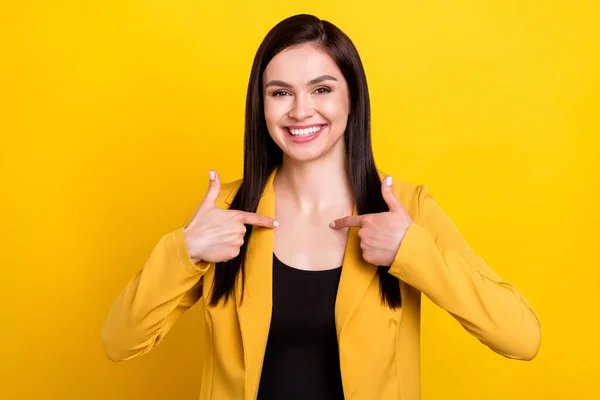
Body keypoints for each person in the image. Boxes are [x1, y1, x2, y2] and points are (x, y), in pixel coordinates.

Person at [101, 13, 542, 400]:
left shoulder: (406, 210)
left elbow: (521, 338)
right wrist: (187, 250)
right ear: (262, 105)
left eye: (321, 88)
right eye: (280, 93)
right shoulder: (224, 213)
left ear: (352, 97)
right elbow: (119, 342)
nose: (300, 110)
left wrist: (412, 251)